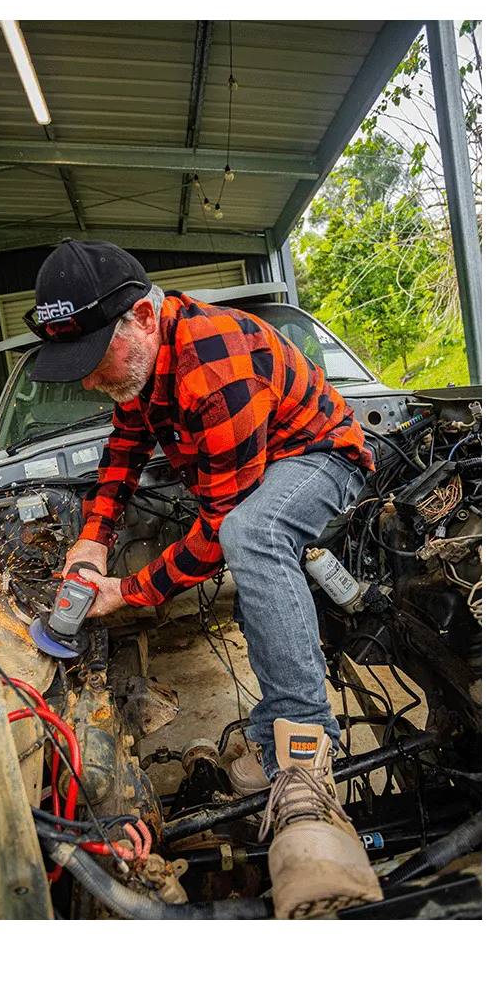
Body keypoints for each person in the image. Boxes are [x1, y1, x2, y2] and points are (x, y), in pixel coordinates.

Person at [26, 239, 383, 919]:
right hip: (258, 471)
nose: (90, 383)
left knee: (252, 533)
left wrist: (128, 592)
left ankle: (305, 758)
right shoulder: (145, 364)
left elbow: (220, 528)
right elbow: (124, 450)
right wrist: (92, 539)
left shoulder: (210, 362)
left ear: (143, 317)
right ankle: (268, 725)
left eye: (96, 360)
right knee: (249, 533)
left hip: (323, 459)